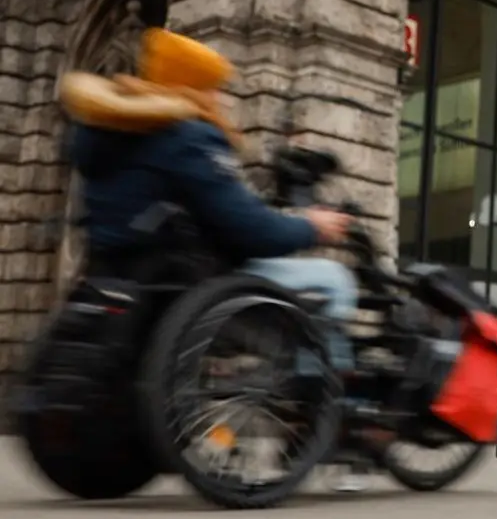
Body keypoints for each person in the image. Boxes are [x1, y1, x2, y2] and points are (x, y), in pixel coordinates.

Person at [60, 27, 361, 488]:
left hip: (125, 272)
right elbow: (250, 230)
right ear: (192, 85)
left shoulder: (104, 135)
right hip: (205, 275)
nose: (219, 97)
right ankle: (324, 419)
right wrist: (311, 226)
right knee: (335, 281)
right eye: (214, 87)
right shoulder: (188, 137)